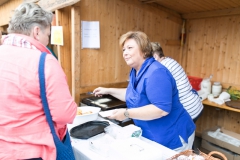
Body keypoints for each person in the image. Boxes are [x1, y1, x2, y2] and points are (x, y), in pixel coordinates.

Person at [93, 31, 196, 152]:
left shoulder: (156, 72)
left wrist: (126, 113)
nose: (125, 53)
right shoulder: (135, 71)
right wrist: (108, 91)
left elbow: (161, 109)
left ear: (145, 51)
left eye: (129, 48)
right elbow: (132, 95)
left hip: (172, 136)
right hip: (153, 135)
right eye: (123, 50)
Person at [0, 3, 77, 160]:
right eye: (47, 35)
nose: (47, 41)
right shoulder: (45, 61)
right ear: (36, 32)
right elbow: (65, 115)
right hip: (34, 152)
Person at [151, 42, 203, 123]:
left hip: (187, 109)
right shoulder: (169, 61)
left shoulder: (163, 68)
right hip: (194, 105)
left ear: (155, 56)